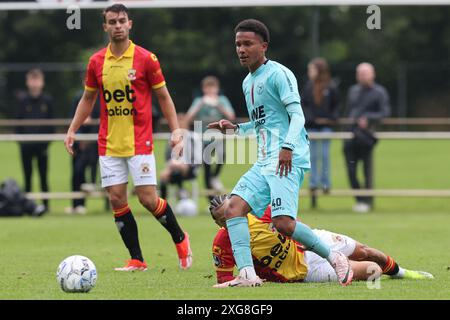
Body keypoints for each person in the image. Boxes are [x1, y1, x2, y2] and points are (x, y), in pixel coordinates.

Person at [207, 19, 352, 287]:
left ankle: (335, 257)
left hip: (287, 157)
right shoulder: (247, 82)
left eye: (248, 44)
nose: (241, 49)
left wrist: (287, 147)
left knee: (283, 223)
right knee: (234, 209)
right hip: (264, 159)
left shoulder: (279, 74)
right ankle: (248, 275)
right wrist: (236, 129)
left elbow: (297, 115)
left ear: (263, 46)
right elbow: (263, 123)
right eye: (238, 44)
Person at [64, 4, 192, 271]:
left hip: (140, 141)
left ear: (130, 24)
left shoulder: (147, 59)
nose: (118, 25)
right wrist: (73, 129)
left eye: (122, 20)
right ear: (106, 27)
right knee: (116, 199)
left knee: (147, 198)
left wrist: (176, 130)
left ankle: (180, 238)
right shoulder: (96, 62)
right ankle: (137, 259)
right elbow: (88, 99)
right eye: (113, 21)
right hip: (108, 143)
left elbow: (163, 97)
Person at [209, 194, 434, 284]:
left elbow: (290, 222)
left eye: (230, 210)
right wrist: (250, 279)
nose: (229, 218)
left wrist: (307, 239)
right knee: (372, 269)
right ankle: (386, 273)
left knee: (365, 250)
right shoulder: (222, 244)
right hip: (303, 270)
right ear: (218, 223)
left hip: (310, 243)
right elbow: (224, 281)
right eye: (223, 219)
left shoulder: (258, 212)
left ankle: (403, 273)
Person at [343, 63, 390, 213]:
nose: (362, 76)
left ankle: (368, 201)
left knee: (367, 171)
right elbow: (348, 112)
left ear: (372, 74)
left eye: (365, 73)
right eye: (360, 73)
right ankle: (359, 199)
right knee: (351, 171)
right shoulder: (353, 91)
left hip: (366, 138)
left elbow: (384, 113)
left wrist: (367, 119)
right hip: (350, 137)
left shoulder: (379, 92)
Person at [185, 76, 235, 198]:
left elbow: (231, 116)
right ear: (203, 89)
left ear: (217, 89)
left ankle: (215, 177)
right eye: (208, 89)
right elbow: (188, 118)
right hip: (203, 139)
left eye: (213, 88)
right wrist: (201, 103)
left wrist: (218, 105)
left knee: (222, 156)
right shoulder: (199, 101)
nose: (210, 92)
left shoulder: (222, 100)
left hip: (218, 137)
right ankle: (211, 201)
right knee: (206, 168)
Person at [302, 58, 340, 206]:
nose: (309, 72)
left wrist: (331, 119)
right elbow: (303, 105)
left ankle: (325, 183)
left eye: (311, 69)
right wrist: (312, 119)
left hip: (325, 127)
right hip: (311, 127)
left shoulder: (331, 87)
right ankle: (313, 184)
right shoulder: (308, 87)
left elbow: (336, 105)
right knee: (312, 156)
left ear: (319, 70)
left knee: (324, 155)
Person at [15, 68, 54, 213]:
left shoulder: (47, 100)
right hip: (26, 146)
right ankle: (28, 207)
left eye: (37, 80)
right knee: (27, 176)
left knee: (43, 176)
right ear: (27, 82)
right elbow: (17, 123)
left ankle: (46, 205)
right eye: (32, 79)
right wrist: (22, 141)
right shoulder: (22, 101)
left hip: (42, 146)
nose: (35, 83)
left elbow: (51, 123)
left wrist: (46, 142)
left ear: (42, 82)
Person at [65, 82, 100, 215]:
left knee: (96, 173)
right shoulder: (78, 97)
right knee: (76, 172)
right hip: (79, 142)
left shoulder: (102, 98)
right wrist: (78, 137)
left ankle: (107, 205)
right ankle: (76, 204)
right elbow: (73, 118)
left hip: (96, 142)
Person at [159, 116, 202, 201]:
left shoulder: (194, 137)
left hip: (191, 168)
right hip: (174, 167)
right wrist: (171, 165)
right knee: (163, 176)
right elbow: (168, 157)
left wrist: (185, 164)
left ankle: (182, 192)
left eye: (182, 123)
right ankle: (163, 204)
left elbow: (198, 158)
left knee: (178, 169)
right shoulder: (173, 137)